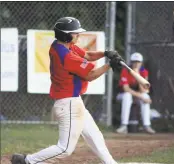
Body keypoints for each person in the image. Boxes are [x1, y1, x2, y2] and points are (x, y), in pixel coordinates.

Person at [11, 17, 122, 164]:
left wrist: (106, 53)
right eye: (75, 33)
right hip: (69, 105)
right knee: (65, 149)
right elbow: (90, 75)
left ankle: (110, 163)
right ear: (65, 35)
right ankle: (28, 161)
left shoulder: (60, 46)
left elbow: (88, 55)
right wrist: (109, 65)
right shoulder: (67, 56)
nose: (78, 35)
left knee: (94, 135)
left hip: (73, 102)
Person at [116, 52, 155, 134]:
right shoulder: (126, 71)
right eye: (134, 62)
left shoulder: (144, 71)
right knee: (127, 96)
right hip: (122, 94)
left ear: (141, 63)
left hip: (137, 94)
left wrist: (137, 76)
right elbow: (126, 89)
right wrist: (141, 97)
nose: (136, 64)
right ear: (131, 62)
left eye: (138, 62)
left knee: (146, 96)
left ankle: (146, 126)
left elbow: (144, 90)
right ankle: (124, 125)